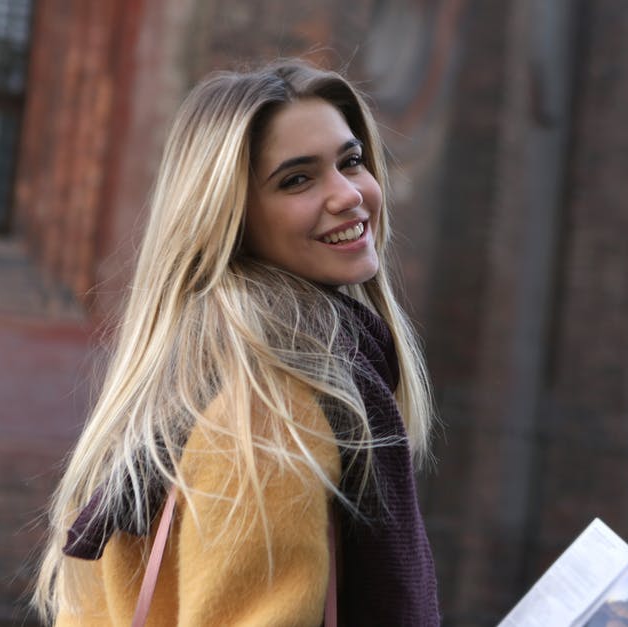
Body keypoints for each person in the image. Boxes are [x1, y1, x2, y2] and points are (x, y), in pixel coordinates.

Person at [32, 59, 439, 625]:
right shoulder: (272, 410)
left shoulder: (197, 381)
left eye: (351, 161)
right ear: (230, 217)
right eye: (297, 179)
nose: (348, 195)